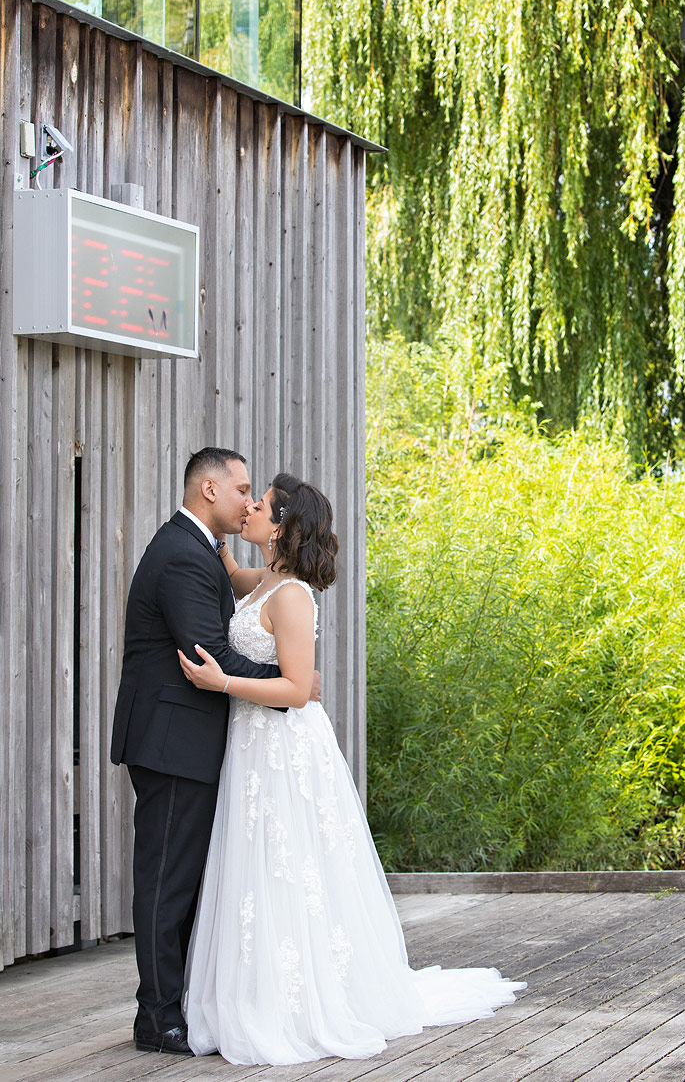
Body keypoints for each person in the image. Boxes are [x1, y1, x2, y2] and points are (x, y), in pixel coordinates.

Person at [178, 472, 526, 1065]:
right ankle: (259, 993)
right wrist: (211, 535)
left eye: (258, 505)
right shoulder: (266, 580)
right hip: (253, 749)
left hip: (283, 747)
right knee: (258, 863)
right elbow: (235, 577)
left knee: (290, 865)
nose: (250, 508)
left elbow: (296, 690)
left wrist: (222, 681)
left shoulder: (291, 597)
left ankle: (304, 1003)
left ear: (281, 527)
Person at [110, 448, 320, 1056]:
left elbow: (254, 597)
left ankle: (176, 1006)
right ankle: (157, 1019)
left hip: (190, 742)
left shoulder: (199, 550)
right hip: (173, 743)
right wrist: (292, 685)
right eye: (241, 489)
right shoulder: (180, 555)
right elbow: (211, 657)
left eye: (257, 496)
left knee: (184, 881)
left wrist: (290, 677)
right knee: (165, 880)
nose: (248, 501)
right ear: (208, 490)